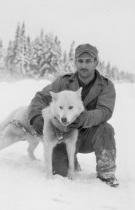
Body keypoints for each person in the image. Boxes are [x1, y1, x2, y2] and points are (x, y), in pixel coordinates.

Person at [28, 43, 119, 187]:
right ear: (75, 62)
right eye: (80, 61)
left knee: (106, 129)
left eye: (88, 61)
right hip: (64, 134)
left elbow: (105, 111)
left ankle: (106, 172)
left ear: (96, 62)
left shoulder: (106, 86)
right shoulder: (63, 81)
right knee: (58, 171)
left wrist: (83, 119)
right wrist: (36, 118)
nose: (84, 65)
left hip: (90, 134)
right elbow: (40, 97)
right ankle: (71, 160)